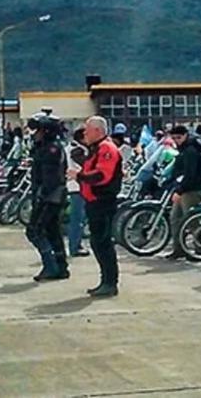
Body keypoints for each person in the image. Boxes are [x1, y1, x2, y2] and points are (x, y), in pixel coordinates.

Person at [72, 116, 123, 297]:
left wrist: (79, 176)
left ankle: (110, 282)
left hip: (103, 201)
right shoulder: (96, 149)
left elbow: (102, 176)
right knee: (98, 242)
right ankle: (106, 280)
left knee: (102, 242)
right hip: (93, 201)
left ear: (97, 131)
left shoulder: (106, 149)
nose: (84, 134)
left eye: (87, 130)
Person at [24, 114, 69, 282]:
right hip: (51, 195)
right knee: (52, 231)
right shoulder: (46, 147)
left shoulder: (52, 149)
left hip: (50, 196)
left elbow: (51, 177)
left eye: (38, 130)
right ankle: (61, 266)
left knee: (35, 230)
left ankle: (50, 266)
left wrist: (41, 196)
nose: (35, 134)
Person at [164, 125, 201, 260]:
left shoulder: (190, 151)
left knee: (190, 220)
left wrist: (179, 190)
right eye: (174, 138)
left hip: (191, 190)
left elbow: (190, 174)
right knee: (175, 218)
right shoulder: (185, 149)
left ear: (186, 135)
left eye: (178, 137)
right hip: (184, 188)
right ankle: (179, 249)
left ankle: (199, 248)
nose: (176, 140)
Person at [66, 128, 90, 258]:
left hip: (76, 186)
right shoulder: (77, 150)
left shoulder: (72, 147)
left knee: (78, 219)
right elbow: (87, 165)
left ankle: (77, 244)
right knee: (77, 219)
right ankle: (75, 247)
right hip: (77, 187)